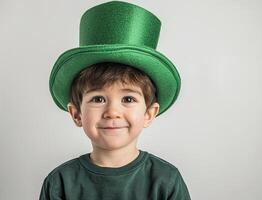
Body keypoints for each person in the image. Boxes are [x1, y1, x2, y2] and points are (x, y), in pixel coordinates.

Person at [39, 1, 191, 199]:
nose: (112, 111)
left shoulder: (166, 181)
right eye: (98, 98)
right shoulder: (59, 183)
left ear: (149, 114)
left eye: (128, 98)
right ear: (76, 114)